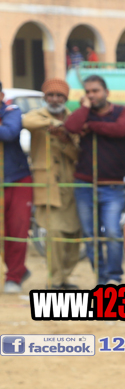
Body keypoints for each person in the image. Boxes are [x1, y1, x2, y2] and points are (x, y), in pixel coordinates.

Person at [64, 74, 125, 285]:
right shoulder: (83, 113)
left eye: (95, 91)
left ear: (106, 92)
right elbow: (71, 127)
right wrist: (84, 108)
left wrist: (92, 125)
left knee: (112, 232)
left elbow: (120, 129)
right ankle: (101, 278)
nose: (91, 95)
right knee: (90, 234)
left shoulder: (123, 111)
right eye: (87, 92)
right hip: (84, 183)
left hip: (113, 184)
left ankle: (114, 277)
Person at [22, 78, 82, 290]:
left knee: (74, 234)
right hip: (47, 184)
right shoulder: (37, 116)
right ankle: (54, 281)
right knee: (54, 234)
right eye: (50, 95)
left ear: (65, 99)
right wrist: (57, 125)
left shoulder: (74, 120)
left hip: (72, 185)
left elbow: (77, 153)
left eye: (59, 96)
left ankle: (64, 277)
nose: (55, 99)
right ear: (45, 97)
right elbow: (27, 122)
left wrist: (65, 139)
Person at [1, 80, 32, 293]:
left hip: (18, 179)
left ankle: (14, 277)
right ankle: (19, 269)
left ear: (1, 96)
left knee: (18, 230)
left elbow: (9, 133)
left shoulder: (12, 111)